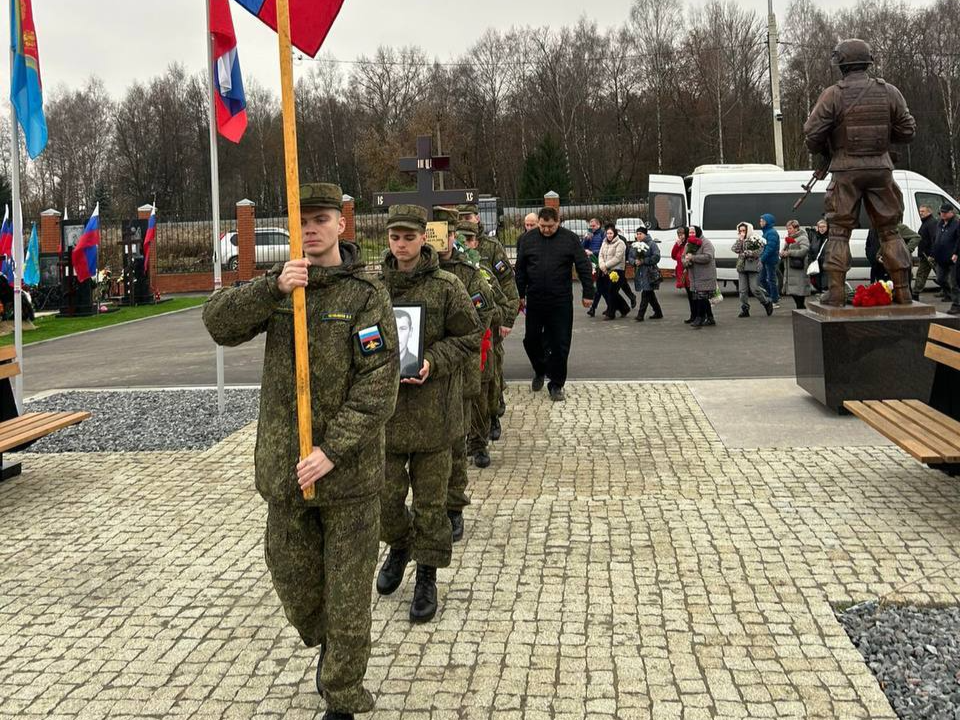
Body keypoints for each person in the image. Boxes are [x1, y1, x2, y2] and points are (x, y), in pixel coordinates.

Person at [202, 183, 399, 720]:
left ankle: (342, 693)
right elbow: (217, 324)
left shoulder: (364, 295)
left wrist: (333, 450)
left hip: (348, 476)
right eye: (301, 222)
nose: (310, 230)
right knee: (291, 576)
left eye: (320, 219)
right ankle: (331, 643)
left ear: (341, 225)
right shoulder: (283, 287)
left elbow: (379, 382)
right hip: (287, 471)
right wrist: (270, 288)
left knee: (350, 593)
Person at [377, 204, 482, 625]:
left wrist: (433, 362)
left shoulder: (446, 286)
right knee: (385, 502)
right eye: (393, 237)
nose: (400, 245)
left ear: (424, 238)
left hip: (435, 417)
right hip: (385, 416)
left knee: (431, 506)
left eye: (408, 237)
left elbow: (471, 334)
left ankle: (426, 575)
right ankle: (400, 545)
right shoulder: (373, 287)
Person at [803, 38, 916, 305]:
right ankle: (903, 291)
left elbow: (811, 133)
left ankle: (836, 292)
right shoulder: (889, 91)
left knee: (839, 231)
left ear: (842, 64)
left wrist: (827, 151)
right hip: (880, 168)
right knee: (890, 231)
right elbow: (908, 130)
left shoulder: (833, 94)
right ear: (867, 61)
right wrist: (882, 137)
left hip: (846, 169)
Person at [434, 209, 497, 542]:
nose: (438, 240)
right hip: (423, 379)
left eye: (445, 233)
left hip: (458, 367)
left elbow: (483, 313)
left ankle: (453, 507)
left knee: (457, 442)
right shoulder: (414, 271)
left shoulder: (468, 273)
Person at [515, 206, 596, 402]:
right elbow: (521, 268)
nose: (546, 230)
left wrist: (588, 293)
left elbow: (583, 266)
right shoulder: (528, 239)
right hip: (535, 299)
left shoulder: (569, 239)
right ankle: (540, 369)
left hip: (560, 301)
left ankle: (556, 384)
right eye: (542, 226)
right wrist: (520, 294)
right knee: (531, 340)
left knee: (560, 344)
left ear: (558, 222)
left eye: (550, 226)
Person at [457, 223, 513, 471]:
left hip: (483, 346)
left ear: (476, 243)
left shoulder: (484, 275)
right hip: (456, 349)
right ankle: (463, 443)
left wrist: (492, 316)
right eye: (461, 240)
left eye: (469, 240)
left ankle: (479, 444)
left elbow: (502, 305)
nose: (465, 244)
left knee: (482, 399)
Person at [731, 221, 773, 318]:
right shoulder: (740, 240)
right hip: (742, 266)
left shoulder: (756, 239)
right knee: (742, 290)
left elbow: (760, 251)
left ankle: (766, 302)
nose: (742, 232)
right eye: (740, 230)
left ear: (748, 230)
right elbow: (734, 249)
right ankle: (745, 308)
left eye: (744, 230)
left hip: (753, 266)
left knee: (754, 288)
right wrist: (740, 240)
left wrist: (750, 253)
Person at [684, 226, 717, 328]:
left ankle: (699, 318)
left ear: (698, 232)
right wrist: (686, 261)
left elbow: (708, 256)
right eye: (690, 233)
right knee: (702, 298)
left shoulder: (706, 242)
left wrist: (693, 258)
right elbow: (683, 257)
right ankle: (710, 318)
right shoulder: (688, 243)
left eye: (693, 232)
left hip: (705, 275)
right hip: (694, 276)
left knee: (701, 298)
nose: (691, 234)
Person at [629, 226, 663, 321]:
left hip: (649, 272)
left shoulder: (651, 244)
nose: (638, 236)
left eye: (640, 234)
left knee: (646, 292)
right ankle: (658, 312)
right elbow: (630, 256)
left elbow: (656, 256)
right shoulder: (635, 245)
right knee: (649, 293)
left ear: (645, 234)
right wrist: (634, 262)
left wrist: (644, 261)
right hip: (639, 273)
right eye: (637, 234)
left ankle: (640, 315)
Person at [597, 224, 629, 320]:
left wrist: (605, 265)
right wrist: (602, 265)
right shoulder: (604, 243)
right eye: (608, 233)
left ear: (615, 234)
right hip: (605, 270)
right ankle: (624, 308)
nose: (609, 235)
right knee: (605, 290)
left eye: (611, 233)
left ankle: (611, 313)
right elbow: (600, 255)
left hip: (617, 271)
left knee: (612, 291)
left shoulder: (620, 243)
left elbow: (617, 258)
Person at [932, 204, 960, 311]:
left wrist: (956, 253)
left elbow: (958, 240)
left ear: (951, 212)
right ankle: (948, 294)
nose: (942, 214)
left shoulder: (956, 224)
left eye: (945, 212)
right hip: (941, 257)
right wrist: (933, 253)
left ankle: (957, 304)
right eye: (941, 212)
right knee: (940, 279)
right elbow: (936, 239)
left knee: (954, 282)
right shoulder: (940, 224)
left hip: (953, 258)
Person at [781, 219, 813, 309]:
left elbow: (804, 250)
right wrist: (783, 253)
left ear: (796, 228)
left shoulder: (802, 238)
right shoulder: (790, 238)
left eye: (790, 228)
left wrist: (790, 252)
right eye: (787, 228)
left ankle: (801, 308)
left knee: (799, 290)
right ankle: (800, 307)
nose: (788, 230)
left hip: (799, 268)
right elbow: (786, 249)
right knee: (793, 291)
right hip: (790, 268)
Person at [671, 226, 696, 323]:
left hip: (689, 272)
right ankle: (692, 315)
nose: (680, 236)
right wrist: (677, 245)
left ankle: (696, 315)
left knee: (693, 296)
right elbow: (673, 256)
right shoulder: (679, 245)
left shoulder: (689, 245)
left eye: (682, 234)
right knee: (690, 296)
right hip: (682, 274)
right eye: (678, 234)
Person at [583, 218, 605, 317]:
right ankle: (593, 308)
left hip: (600, 262)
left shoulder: (602, 234)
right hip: (590, 262)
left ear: (598, 225)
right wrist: (586, 240)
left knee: (601, 286)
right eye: (590, 226)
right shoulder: (589, 235)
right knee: (599, 286)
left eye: (593, 226)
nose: (592, 228)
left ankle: (593, 308)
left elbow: (604, 249)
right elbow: (582, 247)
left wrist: (593, 252)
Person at [758, 213, 781, 308]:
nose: (760, 222)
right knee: (762, 279)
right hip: (765, 260)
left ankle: (774, 299)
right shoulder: (766, 232)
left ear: (767, 222)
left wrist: (762, 259)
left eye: (762, 221)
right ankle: (773, 295)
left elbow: (770, 248)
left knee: (771, 280)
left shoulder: (771, 233)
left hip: (770, 260)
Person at [915, 205, 937, 300]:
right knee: (941, 275)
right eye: (920, 211)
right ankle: (948, 293)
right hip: (926, 254)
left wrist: (932, 254)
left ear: (929, 212)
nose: (921, 213)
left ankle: (915, 293)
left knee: (922, 274)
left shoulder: (931, 223)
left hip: (929, 255)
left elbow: (934, 239)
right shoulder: (926, 222)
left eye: (923, 211)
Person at [395, 309, 421, 378]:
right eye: (393, 328)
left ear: (410, 332)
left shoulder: (416, 363)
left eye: (403, 329)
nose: (397, 335)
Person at [807, 219, 830, 293]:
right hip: (816, 263)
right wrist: (810, 260)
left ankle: (824, 289)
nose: (822, 228)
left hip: (826, 263)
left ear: (827, 227)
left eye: (824, 226)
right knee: (817, 283)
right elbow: (810, 249)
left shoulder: (830, 238)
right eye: (820, 227)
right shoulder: (815, 237)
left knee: (824, 282)